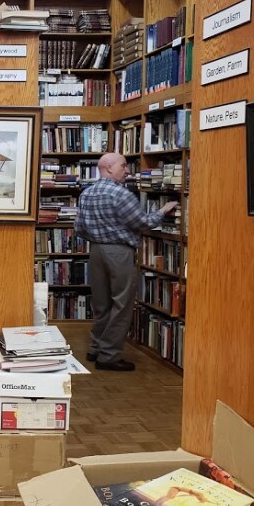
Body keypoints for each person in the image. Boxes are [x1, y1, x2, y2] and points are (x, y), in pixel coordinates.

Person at [74, 153, 178, 371]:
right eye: (124, 165)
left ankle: (96, 348)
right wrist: (163, 210)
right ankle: (109, 356)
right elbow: (143, 222)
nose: (128, 170)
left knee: (102, 304)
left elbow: (79, 229)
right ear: (109, 167)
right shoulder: (121, 195)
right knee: (122, 304)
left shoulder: (86, 194)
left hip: (95, 251)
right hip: (119, 252)